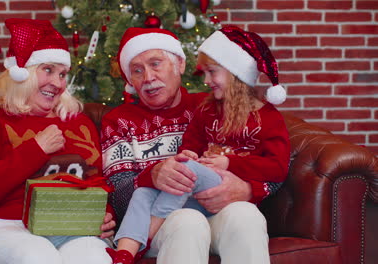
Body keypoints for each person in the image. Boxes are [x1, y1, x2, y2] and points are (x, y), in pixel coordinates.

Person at [101, 26, 288, 264]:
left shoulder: (211, 104)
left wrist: (249, 190)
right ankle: (129, 250)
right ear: (130, 81)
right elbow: (117, 195)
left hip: (216, 210)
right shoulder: (118, 121)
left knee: (246, 215)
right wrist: (153, 175)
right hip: (162, 224)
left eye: (155, 64)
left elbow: (277, 165)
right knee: (188, 221)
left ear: (179, 64)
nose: (148, 78)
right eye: (137, 71)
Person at [0, 18, 115, 264]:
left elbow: (97, 183)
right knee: (38, 257)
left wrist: (105, 216)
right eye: (48, 70)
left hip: (72, 229)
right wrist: (36, 149)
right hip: (6, 227)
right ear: (24, 73)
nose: (57, 83)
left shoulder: (80, 124)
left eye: (63, 74)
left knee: (96, 259)